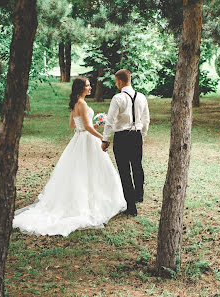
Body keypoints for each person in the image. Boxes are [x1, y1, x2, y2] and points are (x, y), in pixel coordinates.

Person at [13, 77, 126, 236]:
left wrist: (94, 125)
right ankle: (92, 203)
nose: (90, 87)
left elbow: (73, 125)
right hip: (86, 140)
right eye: (87, 85)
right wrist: (102, 137)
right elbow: (85, 126)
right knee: (90, 170)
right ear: (81, 88)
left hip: (78, 139)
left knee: (80, 171)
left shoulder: (75, 103)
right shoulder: (83, 104)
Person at [102, 69, 150, 217]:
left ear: (121, 81)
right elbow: (146, 119)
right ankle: (138, 195)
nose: (116, 84)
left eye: (116, 82)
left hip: (122, 137)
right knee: (137, 166)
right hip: (136, 136)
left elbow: (110, 120)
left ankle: (131, 207)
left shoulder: (118, 98)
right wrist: (142, 136)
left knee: (124, 171)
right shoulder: (142, 97)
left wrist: (105, 139)